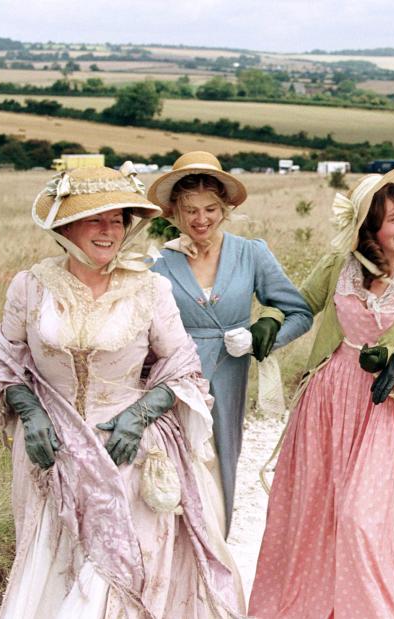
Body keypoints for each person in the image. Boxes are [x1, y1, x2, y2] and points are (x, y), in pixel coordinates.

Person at [0, 164, 242, 617]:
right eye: (96, 219)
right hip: (51, 455)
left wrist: (140, 415)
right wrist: (30, 411)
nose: (109, 231)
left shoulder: (149, 288)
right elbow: (7, 365)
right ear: (65, 226)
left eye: (118, 220)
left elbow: (183, 368)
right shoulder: (30, 287)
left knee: (112, 577)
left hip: (128, 453)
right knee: (57, 567)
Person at [248, 167, 394, 618]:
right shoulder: (340, 267)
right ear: (369, 224)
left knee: (361, 522)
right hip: (327, 403)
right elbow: (299, 304)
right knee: (311, 516)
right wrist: (273, 318)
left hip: (384, 411)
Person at [148, 151, 313, 536]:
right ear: (174, 212)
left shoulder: (251, 253)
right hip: (174, 381)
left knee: (222, 463)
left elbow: (299, 314)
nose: (200, 219)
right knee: (173, 468)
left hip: (229, 376)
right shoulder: (160, 262)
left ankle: (216, 555)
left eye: (210, 209)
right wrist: (148, 262)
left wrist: (258, 339)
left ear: (225, 209)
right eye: (189, 210)